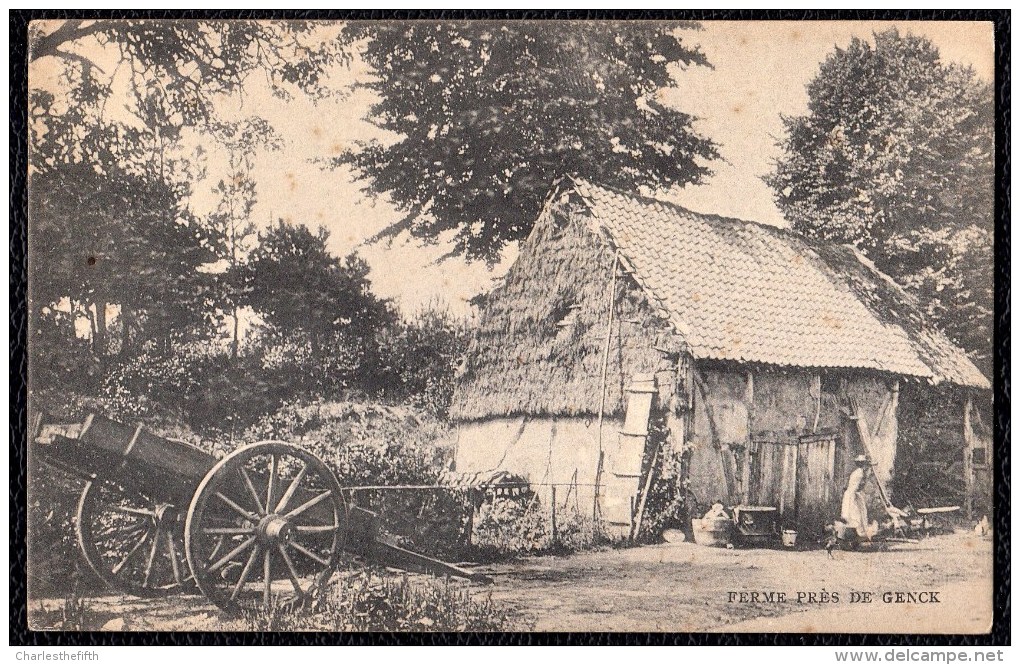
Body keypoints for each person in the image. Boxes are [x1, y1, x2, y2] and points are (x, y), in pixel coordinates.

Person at [841, 455, 872, 541]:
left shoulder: (858, 472)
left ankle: (855, 535)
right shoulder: (860, 473)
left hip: (852, 493)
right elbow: (859, 485)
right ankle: (855, 535)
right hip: (852, 494)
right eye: (862, 463)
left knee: (855, 514)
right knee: (855, 514)